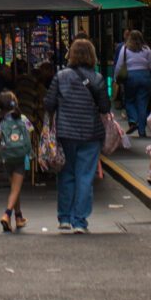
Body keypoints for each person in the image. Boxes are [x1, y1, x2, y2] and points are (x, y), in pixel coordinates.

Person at [44, 36, 109, 234]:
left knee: (66, 174)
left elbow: (48, 103)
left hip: (65, 133)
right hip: (91, 133)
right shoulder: (97, 79)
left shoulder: (60, 76)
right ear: (92, 56)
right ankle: (79, 221)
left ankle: (64, 217)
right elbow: (105, 107)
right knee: (85, 176)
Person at [0, 92, 32, 232]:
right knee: (16, 189)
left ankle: (19, 217)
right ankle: (6, 214)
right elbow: (30, 130)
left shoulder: (1, 122)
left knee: (14, 188)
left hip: (6, 157)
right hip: (20, 157)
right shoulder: (23, 119)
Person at [114, 27, 151, 137]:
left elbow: (119, 65)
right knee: (143, 103)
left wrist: (115, 78)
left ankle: (133, 120)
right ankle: (142, 130)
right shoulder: (147, 49)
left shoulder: (125, 49)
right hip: (145, 77)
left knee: (129, 100)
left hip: (130, 77)